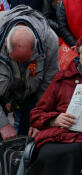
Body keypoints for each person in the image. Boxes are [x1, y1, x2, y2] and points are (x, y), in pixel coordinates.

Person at [27, 33, 82, 175]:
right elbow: (37, 114)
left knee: (74, 152)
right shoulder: (63, 78)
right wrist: (54, 119)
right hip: (56, 135)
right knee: (46, 154)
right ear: (79, 55)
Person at [0, 5, 59, 140]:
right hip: (3, 91)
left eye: (25, 60)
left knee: (29, 138)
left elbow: (49, 85)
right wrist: (3, 124)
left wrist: (40, 119)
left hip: (31, 95)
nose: (21, 64)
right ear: (5, 43)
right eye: (16, 59)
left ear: (36, 45)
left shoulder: (49, 41)